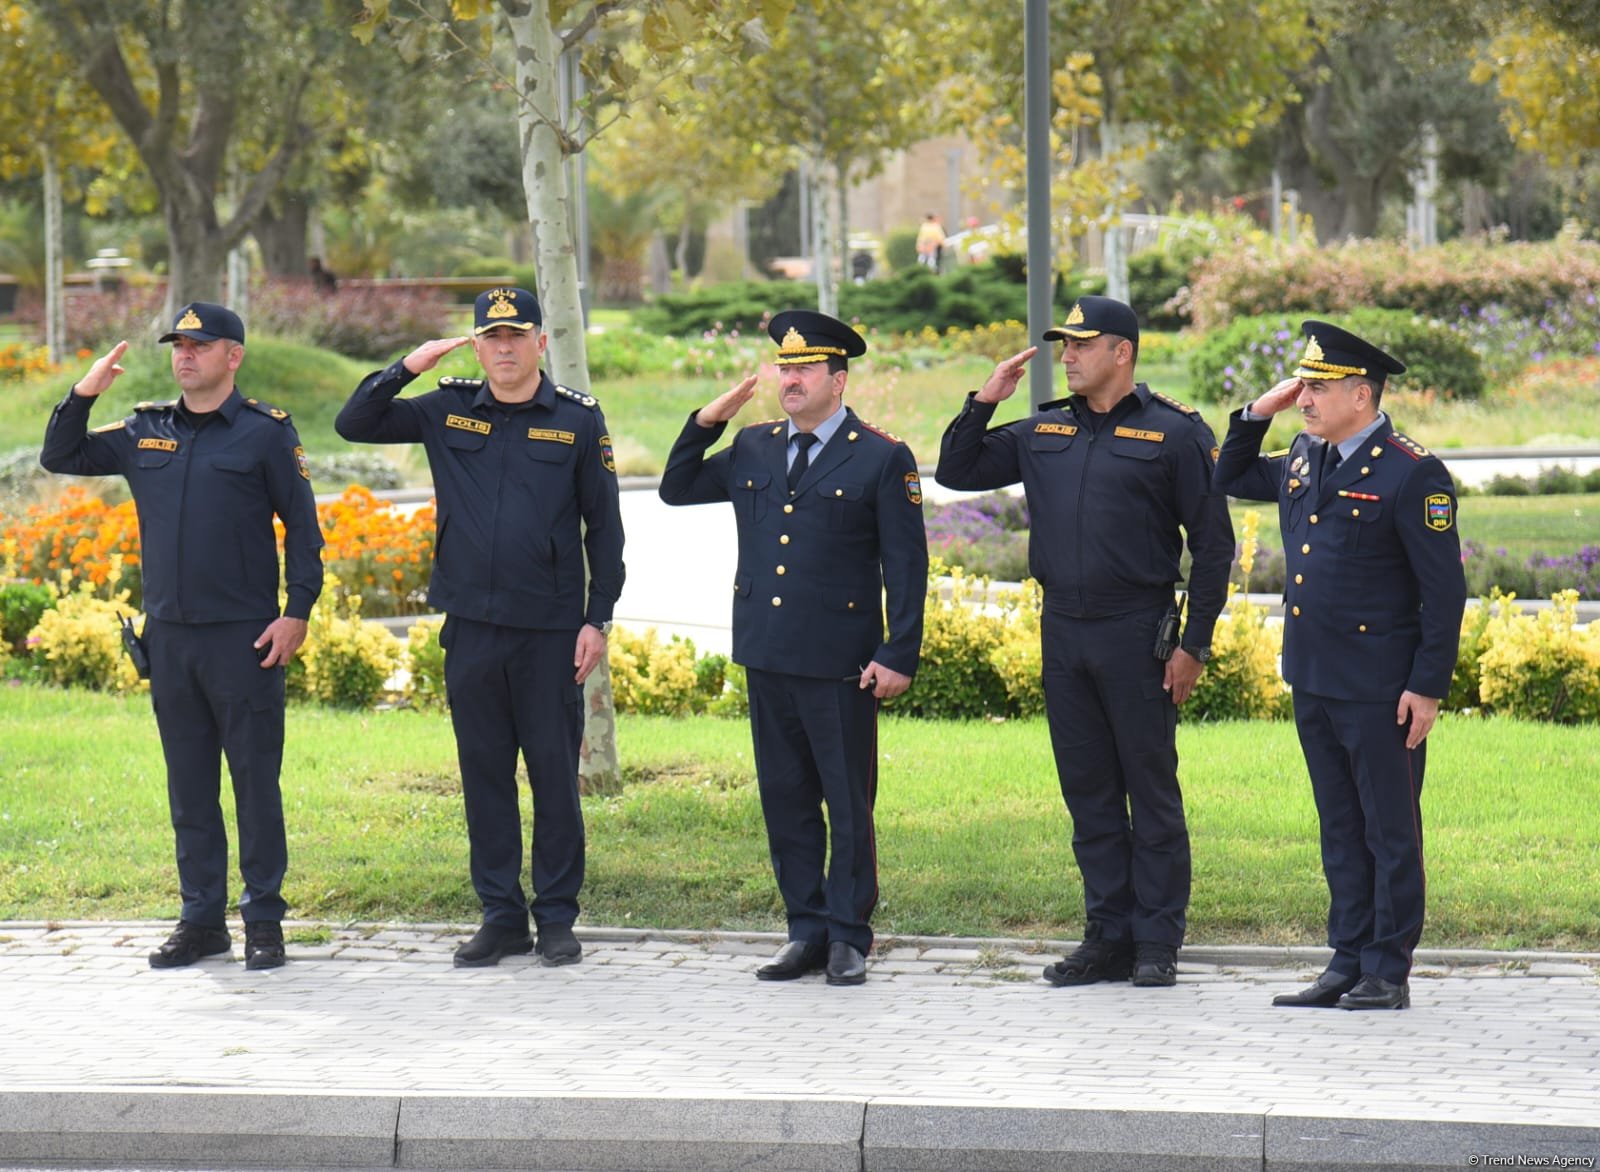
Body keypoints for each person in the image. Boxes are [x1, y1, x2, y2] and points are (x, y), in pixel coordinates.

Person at [935, 295, 1233, 990]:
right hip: (1063, 630)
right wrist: (985, 400)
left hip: (1138, 632)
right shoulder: (1045, 430)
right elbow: (956, 468)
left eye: (1080, 343)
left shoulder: (1177, 434)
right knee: (1090, 792)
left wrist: (1193, 645)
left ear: (1121, 353)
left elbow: (1213, 548)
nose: (1066, 355)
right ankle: (1108, 936)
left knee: (1150, 791)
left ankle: (1157, 942)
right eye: (1063, 344)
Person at [335, 287, 624, 969]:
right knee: (484, 776)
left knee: (554, 778)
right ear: (475, 344)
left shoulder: (578, 420)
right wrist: (411, 365)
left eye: (516, 335)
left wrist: (597, 618)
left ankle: (556, 917)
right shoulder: (448, 407)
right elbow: (355, 422)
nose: (503, 348)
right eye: (490, 337)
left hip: (551, 631)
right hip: (471, 627)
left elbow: (605, 528)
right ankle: (501, 916)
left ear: (540, 342)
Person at [40, 302, 324, 971]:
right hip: (169, 639)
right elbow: (61, 455)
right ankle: (201, 921)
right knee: (189, 787)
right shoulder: (145, 429)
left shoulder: (266, 434)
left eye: (201, 344)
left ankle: (263, 922)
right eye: (179, 344)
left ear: (234, 356)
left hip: (245, 640)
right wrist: (85, 393)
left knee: (255, 784)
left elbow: (305, 533)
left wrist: (298, 612)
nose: (186, 354)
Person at [659, 310, 927, 986]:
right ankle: (804, 929)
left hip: (840, 662)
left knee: (846, 801)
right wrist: (706, 421)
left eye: (806, 369)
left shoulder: (880, 456)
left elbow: (907, 565)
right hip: (768, 653)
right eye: (784, 367)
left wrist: (899, 652)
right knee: (785, 799)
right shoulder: (753, 446)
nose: (790, 378)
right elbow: (676, 487)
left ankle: (848, 935)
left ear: (839, 380)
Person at [1213, 320, 1466, 1011]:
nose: (1305, 399)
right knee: (1339, 827)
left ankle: (1388, 969)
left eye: (1318, 388)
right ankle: (1347, 957)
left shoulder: (1412, 472)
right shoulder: (1304, 454)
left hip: (1382, 688)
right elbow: (1230, 474)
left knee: (1389, 831)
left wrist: (1427, 686)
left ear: (1362, 393)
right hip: (1316, 676)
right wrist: (1256, 413)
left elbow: (1445, 593)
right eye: (1303, 387)